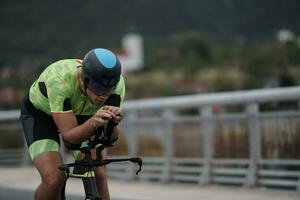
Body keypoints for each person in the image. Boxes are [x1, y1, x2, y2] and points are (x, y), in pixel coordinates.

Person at [20, 48, 125, 200]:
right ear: (85, 79)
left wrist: (113, 124)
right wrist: (93, 122)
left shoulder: (118, 85)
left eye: (109, 89)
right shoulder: (60, 80)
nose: (102, 95)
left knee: (99, 171)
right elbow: (70, 137)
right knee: (54, 179)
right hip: (41, 116)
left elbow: (110, 139)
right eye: (97, 88)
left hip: (82, 116)